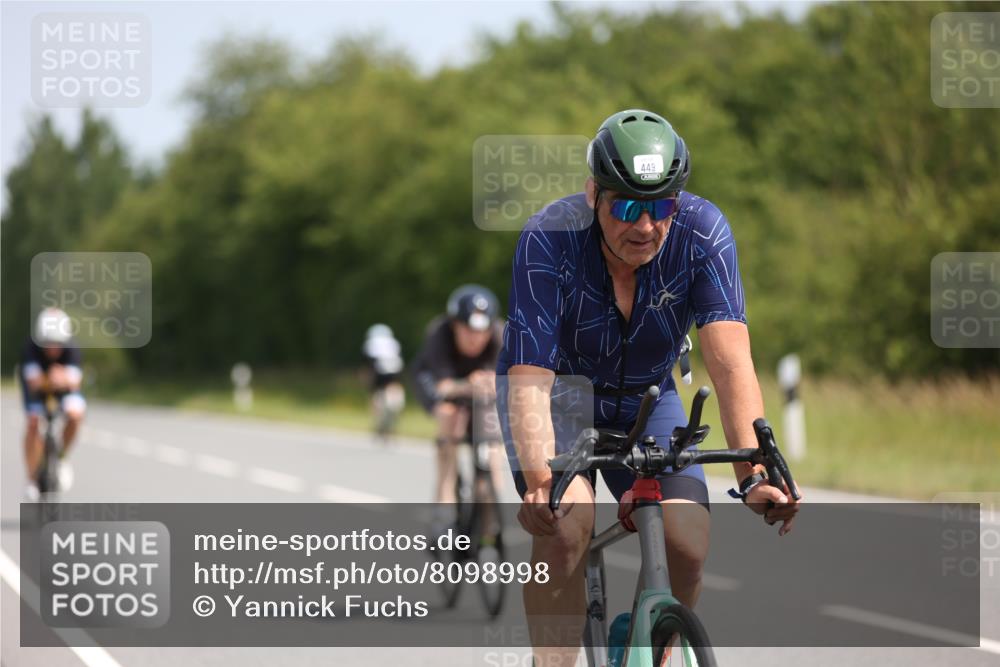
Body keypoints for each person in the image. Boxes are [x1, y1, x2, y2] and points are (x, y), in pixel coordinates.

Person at [496, 109, 802, 665]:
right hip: (559, 397)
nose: (644, 226)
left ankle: (644, 646)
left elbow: (730, 363)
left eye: (660, 207)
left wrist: (754, 472)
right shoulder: (549, 238)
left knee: (687, 544)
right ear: (594, 194)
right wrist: (542, 480)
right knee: (567, 526)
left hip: (648, 396)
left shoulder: (703, 232)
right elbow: (530, 380)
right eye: (627, 206)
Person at [413, 285, 505, 521]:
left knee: (491, 436)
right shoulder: (439, 333)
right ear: (455, 325)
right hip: (441, 385)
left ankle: (490, 502)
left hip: (482, 393)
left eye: (481, 332)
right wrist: (467, 385)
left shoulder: (501, 334)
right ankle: (444, 501)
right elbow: (442, 387)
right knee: (449, 418)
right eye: (467, 330)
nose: (475, 338)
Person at [20, 307, 86, 500]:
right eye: (47, 344)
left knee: (75, 415)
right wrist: (53, 377)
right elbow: (34, 383)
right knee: (33, 421)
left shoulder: (73, 349)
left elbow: (74, 381)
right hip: (36, 392)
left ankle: (62, 457)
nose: (52, 348)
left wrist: (59, 379)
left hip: (63, 391)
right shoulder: (30, 348)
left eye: (57, 344)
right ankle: (32, 478)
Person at [362, 323, 405, 444]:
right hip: (394, 379)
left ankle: (380, 428)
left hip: (379, 379)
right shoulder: (394, 344)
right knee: (393, 405)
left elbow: (368, 365)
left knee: (378, 404)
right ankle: (390, 431)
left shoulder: (370, 344)